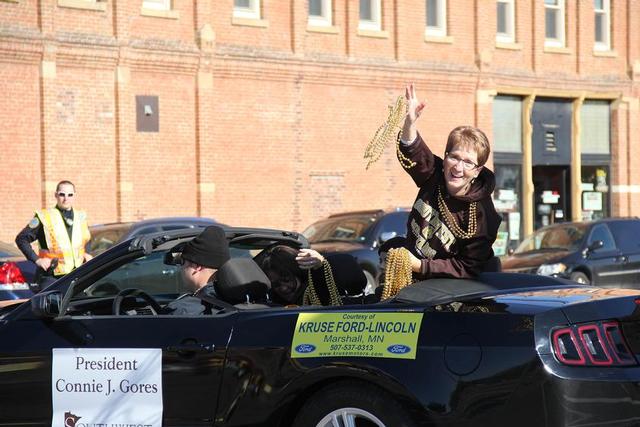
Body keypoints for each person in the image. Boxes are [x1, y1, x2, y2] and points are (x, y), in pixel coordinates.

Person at [396, 84, 501, 279]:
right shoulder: (434, 175)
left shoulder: (483, 215)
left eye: (468, 162)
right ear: (445, 158)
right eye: (454, 157)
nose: (458, 167)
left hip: (456, 295)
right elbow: (412, 152)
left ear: (478, 171)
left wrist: (420, 266)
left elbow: (468, 267)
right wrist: (410, 123)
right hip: (412, 283)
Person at [15, 180, 92, 290]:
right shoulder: (44, 217)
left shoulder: (81, 216)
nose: (66, 198)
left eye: (70, 195)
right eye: (62, 194)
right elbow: (21, 239)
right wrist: (37, 260)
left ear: (75, 196)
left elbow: (86, 239)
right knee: (52, 306)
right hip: (53, 276)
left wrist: (87, 253)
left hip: (77, 275)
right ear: (56, 195)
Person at [255, 245, 366, 306]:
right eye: (276, 284)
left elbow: (323, 288)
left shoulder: (315, 293)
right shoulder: (271, 305)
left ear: (298, 272)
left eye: (286, 279)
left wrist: (320, 265)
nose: (283, 288)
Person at [164, 225, 230, 315]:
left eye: (182, 262)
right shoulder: (246, 301)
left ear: (196, 266)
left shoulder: (182, 310)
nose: (181, 268)